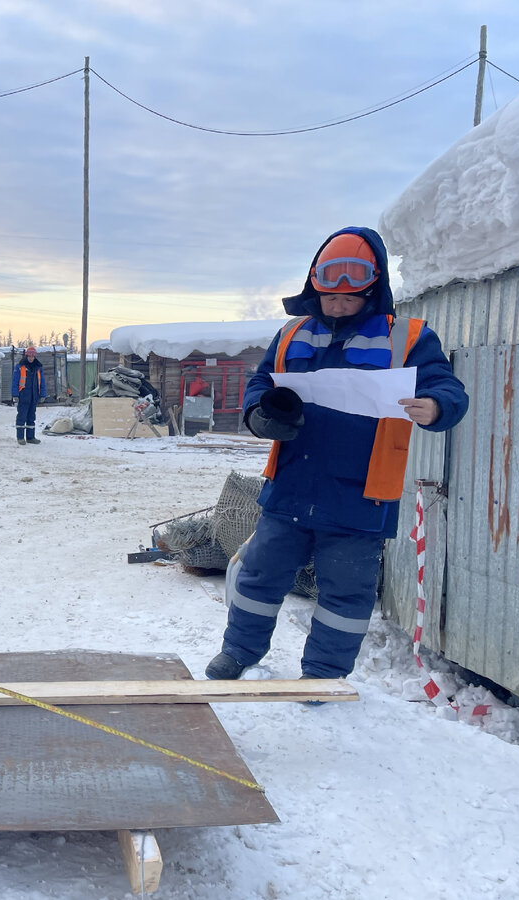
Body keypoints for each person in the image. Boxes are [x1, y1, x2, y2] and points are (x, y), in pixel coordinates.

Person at [205, 226, 469, 683]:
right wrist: (259, 416)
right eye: (331, 297)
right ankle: (239, 652)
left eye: (351, 298)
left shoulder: (408, 337)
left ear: (372, 288)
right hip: (290, 484)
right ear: (315, 287)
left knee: (346, 593)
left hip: (362, 494)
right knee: (259, 577)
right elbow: (260, 385)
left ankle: (324, 674)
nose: (340, 305)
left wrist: (437, 406)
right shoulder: (291, 333)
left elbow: (447, 388)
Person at [12, 345, 45, 444]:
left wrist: (43, 394)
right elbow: (15, 381)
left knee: (31, 417)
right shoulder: (20, 367)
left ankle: (30, 438)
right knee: (22, 416)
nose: (31, 358)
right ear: (26, 356)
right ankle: (20, 437)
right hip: (23, 396)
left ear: (34, 357)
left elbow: (42, 381)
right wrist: (15, 394)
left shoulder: (38, 368)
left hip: (34, 396)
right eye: (29, 356)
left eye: (32, 356)